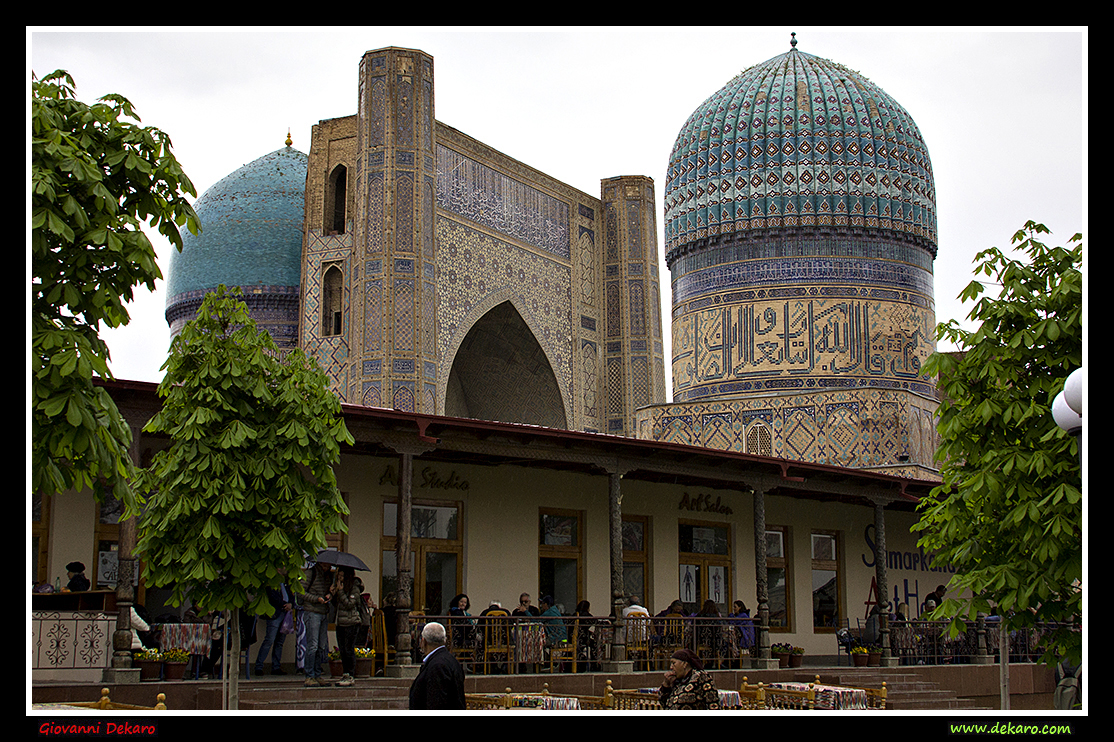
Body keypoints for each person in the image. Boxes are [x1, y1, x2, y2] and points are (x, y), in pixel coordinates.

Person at [409, 621, 466, 710]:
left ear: (423, 641)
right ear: (445, 640)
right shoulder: (451, 660)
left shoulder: (437, 666)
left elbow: (436, 702)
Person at [299, 560, 335, 687]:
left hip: (323, 612)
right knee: (312, 645)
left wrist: (330, 595)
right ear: (320, 564)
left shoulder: (329, 576)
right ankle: (309, 675)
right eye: (325, 565)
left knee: (321, 646)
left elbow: (330, 592)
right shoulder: (310, 573)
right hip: (312, 611)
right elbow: (300, 591)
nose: (327, 567)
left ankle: (317, 674)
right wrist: (316, 599)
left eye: (329, 565)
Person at [331, 566, 364, 687]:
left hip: (352, 623)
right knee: (342, 650)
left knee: (349, 649)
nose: (339, 578)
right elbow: (336, 605)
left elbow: (350, 604)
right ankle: (345, 673)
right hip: (340, 622)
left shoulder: (354, 588)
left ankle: (350, 674)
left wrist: (340, 592)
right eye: (338, 576)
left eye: (342, 576)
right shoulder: (340, 588)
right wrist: (333, 593)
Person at [254, 582, 293, 675]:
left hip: (285, 614)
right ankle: (259, 666)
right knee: (269, 640)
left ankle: (276, 667)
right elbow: (272, 596)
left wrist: (291, 604)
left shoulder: (287, 582)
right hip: (275, 614)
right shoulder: (271, 582)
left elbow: (292, 595)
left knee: (279, 642)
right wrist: (284, 604)